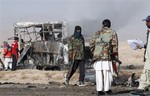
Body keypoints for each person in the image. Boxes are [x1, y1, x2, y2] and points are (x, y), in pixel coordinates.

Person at [89, 19, 118, 95]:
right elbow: (114, 45)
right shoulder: (112, 33)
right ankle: (107, 90)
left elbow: (91, 44)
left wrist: (95, 53)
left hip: (97, 57)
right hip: (106, 57)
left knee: (98, 73)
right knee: (107, 73)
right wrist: (114, 56)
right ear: (109, 25)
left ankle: (99, 90)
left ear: (103, 25)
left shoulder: (97, 33)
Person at [130, 16, 150, 95]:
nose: (146, 23)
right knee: (147, 71)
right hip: (148, 56)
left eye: (147, 21)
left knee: (147, 71)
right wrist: (142, 46)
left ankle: (142, 87)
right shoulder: (149, 31)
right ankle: (142, 87)